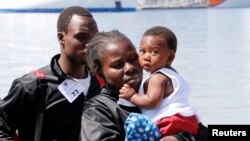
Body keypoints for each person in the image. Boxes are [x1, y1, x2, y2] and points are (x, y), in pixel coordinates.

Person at [80, 30, 207, 141]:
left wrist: (182, 138)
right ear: (100, 73)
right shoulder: (97, 112)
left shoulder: (158, 95)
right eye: (118, 65)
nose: (130, 68)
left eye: (133, 58)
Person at [0, 6, 102, 141]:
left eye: (95, 38)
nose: (90, 44)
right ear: (61, 37)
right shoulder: (33, 85)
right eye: (82, 37)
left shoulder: (102, 82)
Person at [119, 26, 201, 139]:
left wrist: (132, 96)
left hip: (170, 121)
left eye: (154, 52)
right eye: (142, 51)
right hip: (188, 119)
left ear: (170, 58)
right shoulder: (172, 73)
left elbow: (152, 102)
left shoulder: (157, 78)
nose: (146, 57)